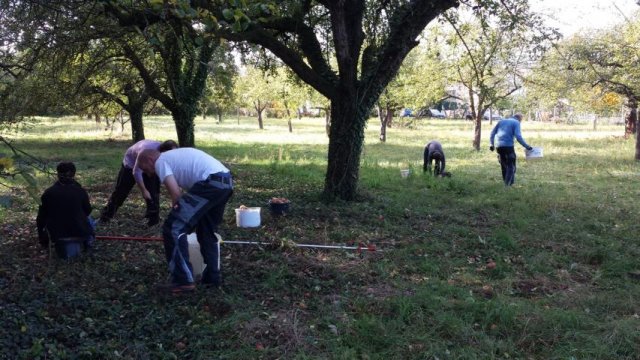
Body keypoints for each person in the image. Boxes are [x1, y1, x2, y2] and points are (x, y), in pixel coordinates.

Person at [134, 147, 233, 293]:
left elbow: (176, 193)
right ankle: (212, 279)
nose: (149, 174)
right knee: (206, 231)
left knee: (173, 228)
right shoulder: (173, 157)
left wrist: (177, 212)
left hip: (210, 183)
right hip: (225, 182)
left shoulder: (160, 161)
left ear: (150, 159)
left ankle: (182, 281)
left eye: (145, 169)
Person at [100, 139, 178, 226]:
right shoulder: (145, 151)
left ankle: (152, 221)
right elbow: (136, 172)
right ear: (163, 151)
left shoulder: (164, 154)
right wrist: (144, 190)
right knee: (120, 192)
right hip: (131, 165)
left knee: (153, 192)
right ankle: (105, 217)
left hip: (150, 165)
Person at [36, 162, 95, 259]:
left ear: (57, 174)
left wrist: (42, 239)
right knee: (90, 219)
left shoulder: (48, 193)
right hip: (79, 233)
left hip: (57, 236)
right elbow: (87, 211)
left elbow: (41, 218)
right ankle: (88, 242)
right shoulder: (80, 191)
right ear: (74, 174)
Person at [489, 113, 533, 186]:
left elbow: (492, 133)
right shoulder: (516, 122)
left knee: (504, 165)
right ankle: (507, 185)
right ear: (520, 119)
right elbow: (518, 136)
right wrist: (527, 146)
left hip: (499, 146)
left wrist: (491, 144)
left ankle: (509, 184)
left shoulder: (501, 121)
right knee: (511, 166)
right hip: (508, 146)